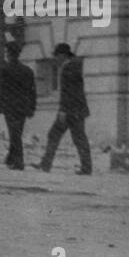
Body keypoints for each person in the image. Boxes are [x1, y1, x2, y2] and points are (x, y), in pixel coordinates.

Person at [36, 42, 91, 175]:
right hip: (77, 110)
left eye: (57, 56)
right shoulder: (74, 66)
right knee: (79, 139)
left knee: (54, 135)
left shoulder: (69, 68)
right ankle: (86, 167)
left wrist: (63, 110)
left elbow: (69, 92)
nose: (56, 59)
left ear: (62, 55)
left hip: (70, 111)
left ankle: (46, 164)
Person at [0, 40, 36, 170]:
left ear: (8, 53)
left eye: (5, 52)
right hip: (23, 107)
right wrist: (32, 108)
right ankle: (10, 158)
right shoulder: (27, 71)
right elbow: (32, 91)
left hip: (9, 107)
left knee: (14, 134)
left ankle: (18, 161)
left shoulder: (5, 69)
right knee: (16, 133)